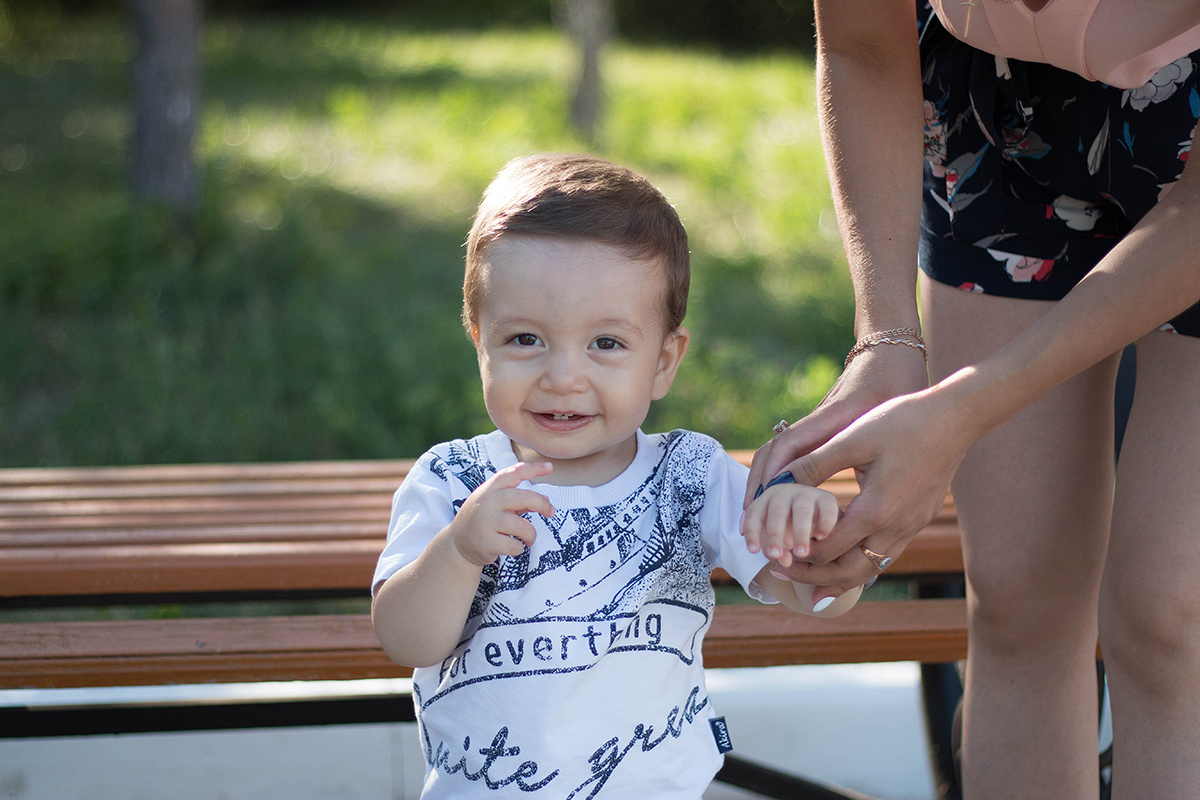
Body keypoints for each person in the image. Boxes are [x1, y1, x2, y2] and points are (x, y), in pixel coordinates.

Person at [750, 1, 1200, 797]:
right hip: (999, 111)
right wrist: (886, 338)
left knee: (1172, 612)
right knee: (1016, 597)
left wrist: (961, 409)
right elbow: (861, 45)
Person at [371, 152, 862, 799]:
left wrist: (810, 533)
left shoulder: (691, 477)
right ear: (478, 340)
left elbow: (819, 594)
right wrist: (459, 551)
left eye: (605, 343)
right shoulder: (455, 480)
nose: (563, 375)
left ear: (664, 361)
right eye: (525, 339)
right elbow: (404, 640)